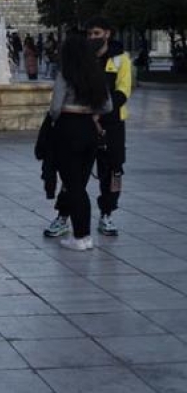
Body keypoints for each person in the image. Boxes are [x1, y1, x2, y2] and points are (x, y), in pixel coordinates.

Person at [45, 18, 132, 239]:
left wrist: (98, 114)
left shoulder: (121, 60)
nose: (92, 38)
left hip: (111, 123)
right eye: (89, 34)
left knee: (113, 169)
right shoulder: (83, 59)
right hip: (84, 124)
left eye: (96, 33)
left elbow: (123, 92)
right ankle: (63, 215)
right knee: (74, 174)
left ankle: (107, 213)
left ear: (107, 34)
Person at [43, 33, 112, 250]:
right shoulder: (96, 74)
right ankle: (85, 236)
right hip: (89, 130)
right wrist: (89, 111)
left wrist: (61, 115)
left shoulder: (66, 74)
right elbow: (107, 106)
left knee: (73, 186)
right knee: (80, 183)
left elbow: (55, 108)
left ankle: (81, 236)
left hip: (68, 128)